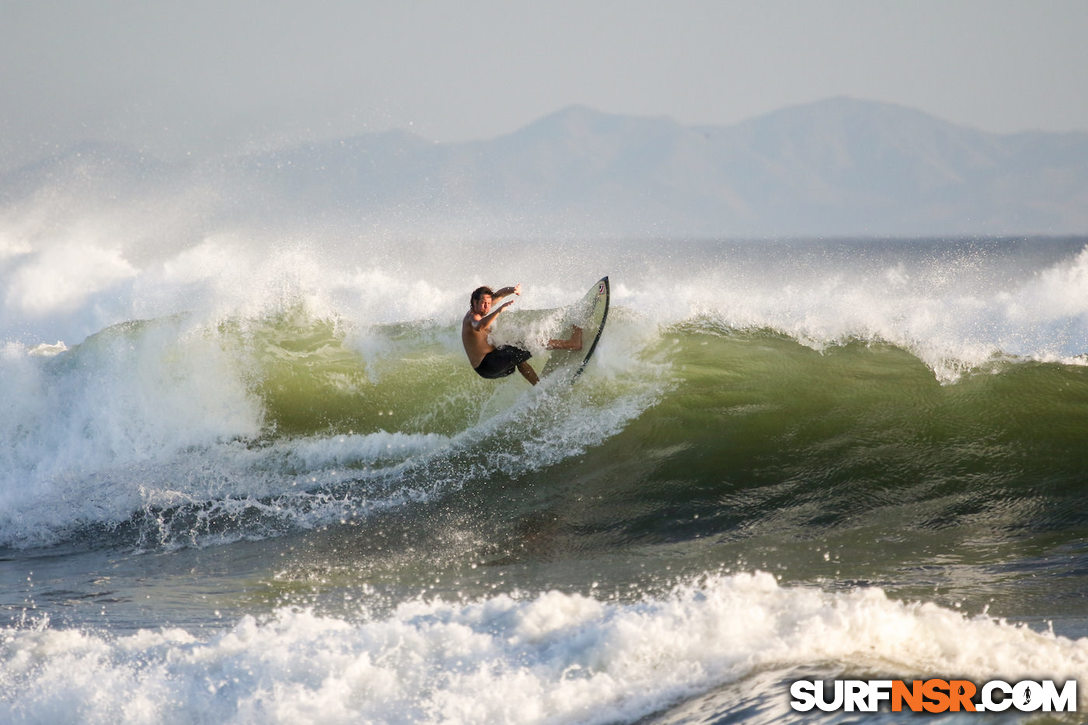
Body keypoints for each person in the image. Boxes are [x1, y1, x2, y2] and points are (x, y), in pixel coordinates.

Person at [462, 283, 582, 385]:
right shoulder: (472, 317)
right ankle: (573, 343)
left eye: (489, 303)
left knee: (517, 354)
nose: (487, 307)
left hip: (487, 368)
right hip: (490, 364)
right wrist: (499, 310)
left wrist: (513, 290)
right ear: (474, 302)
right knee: (530, 342)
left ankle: (538, 385)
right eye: (483, 303)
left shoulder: (482, 307)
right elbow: (479, 326)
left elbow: (499, 295)